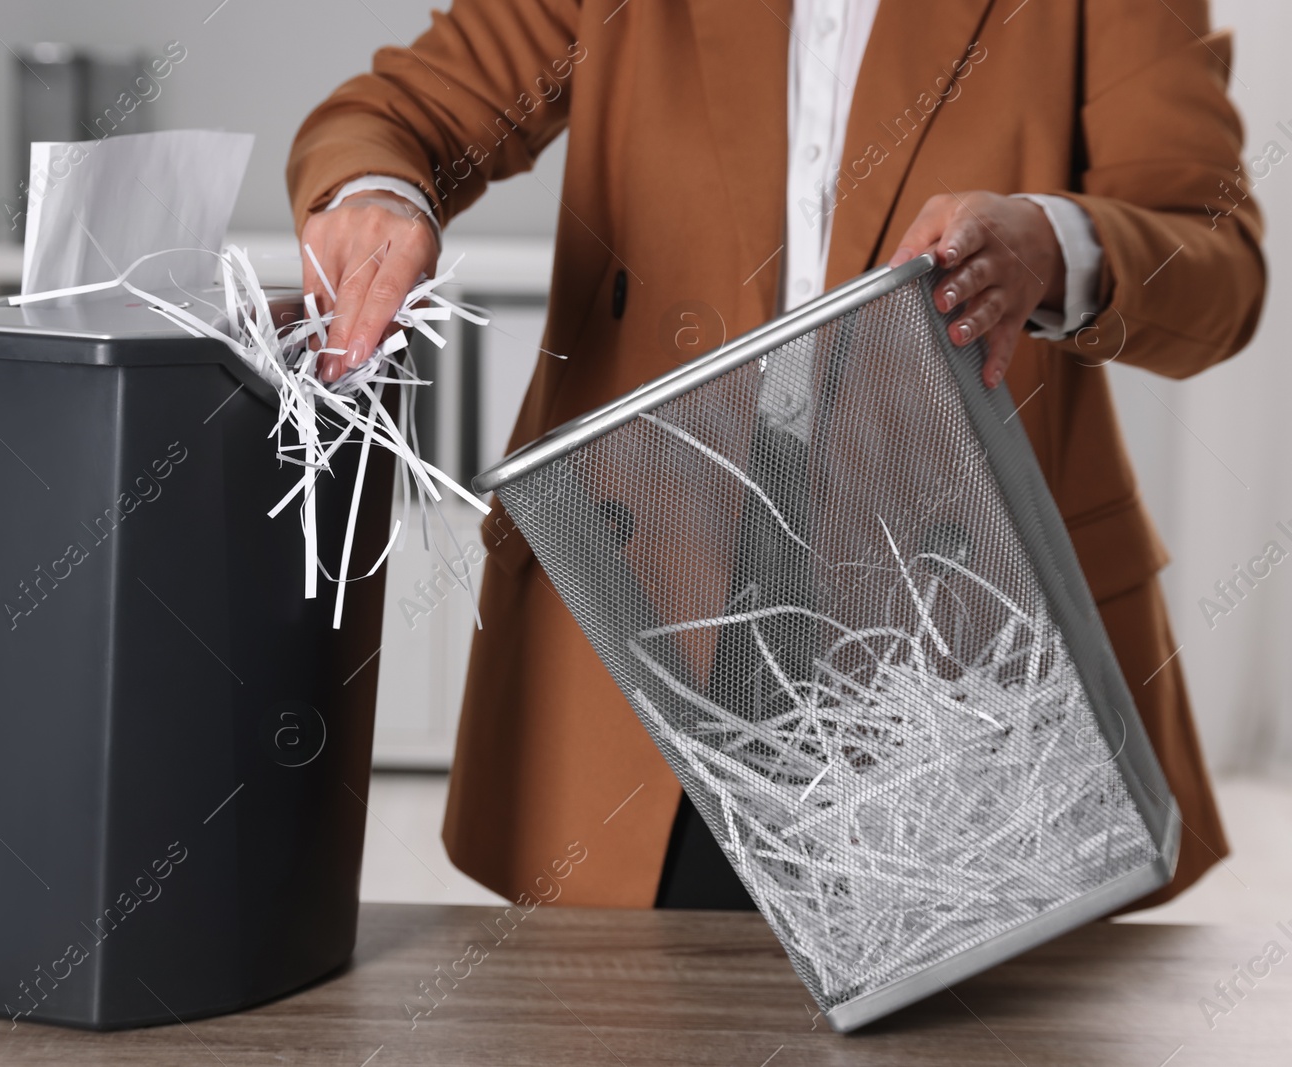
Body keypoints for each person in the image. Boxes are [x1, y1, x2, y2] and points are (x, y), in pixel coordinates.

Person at [289, 0, 1264, 910]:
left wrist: (1049, 244)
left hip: (965, 633)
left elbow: (1215, 265)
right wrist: (378, 196)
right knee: (634, 1011)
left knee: (970, 1025)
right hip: (647, 600)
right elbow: (397, 115)